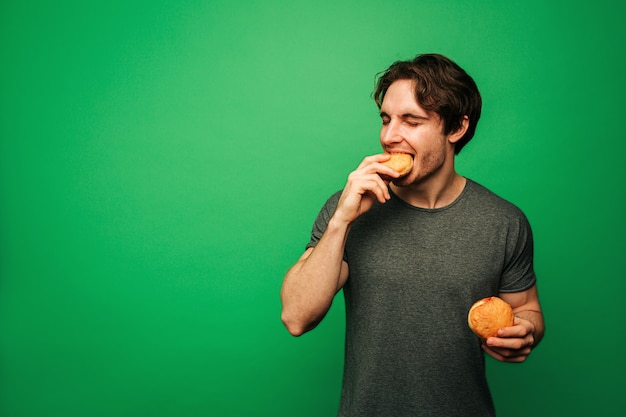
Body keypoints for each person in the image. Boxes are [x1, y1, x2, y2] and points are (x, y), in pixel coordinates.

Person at [280, 53, 544, 416]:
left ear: (456, 128)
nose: (389, 136)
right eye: (386, 119)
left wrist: (525, 331)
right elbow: (296, 316)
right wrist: (341, 221)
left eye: (411, 121)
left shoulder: (504, 221)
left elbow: (526, 309)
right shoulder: (349, 208)